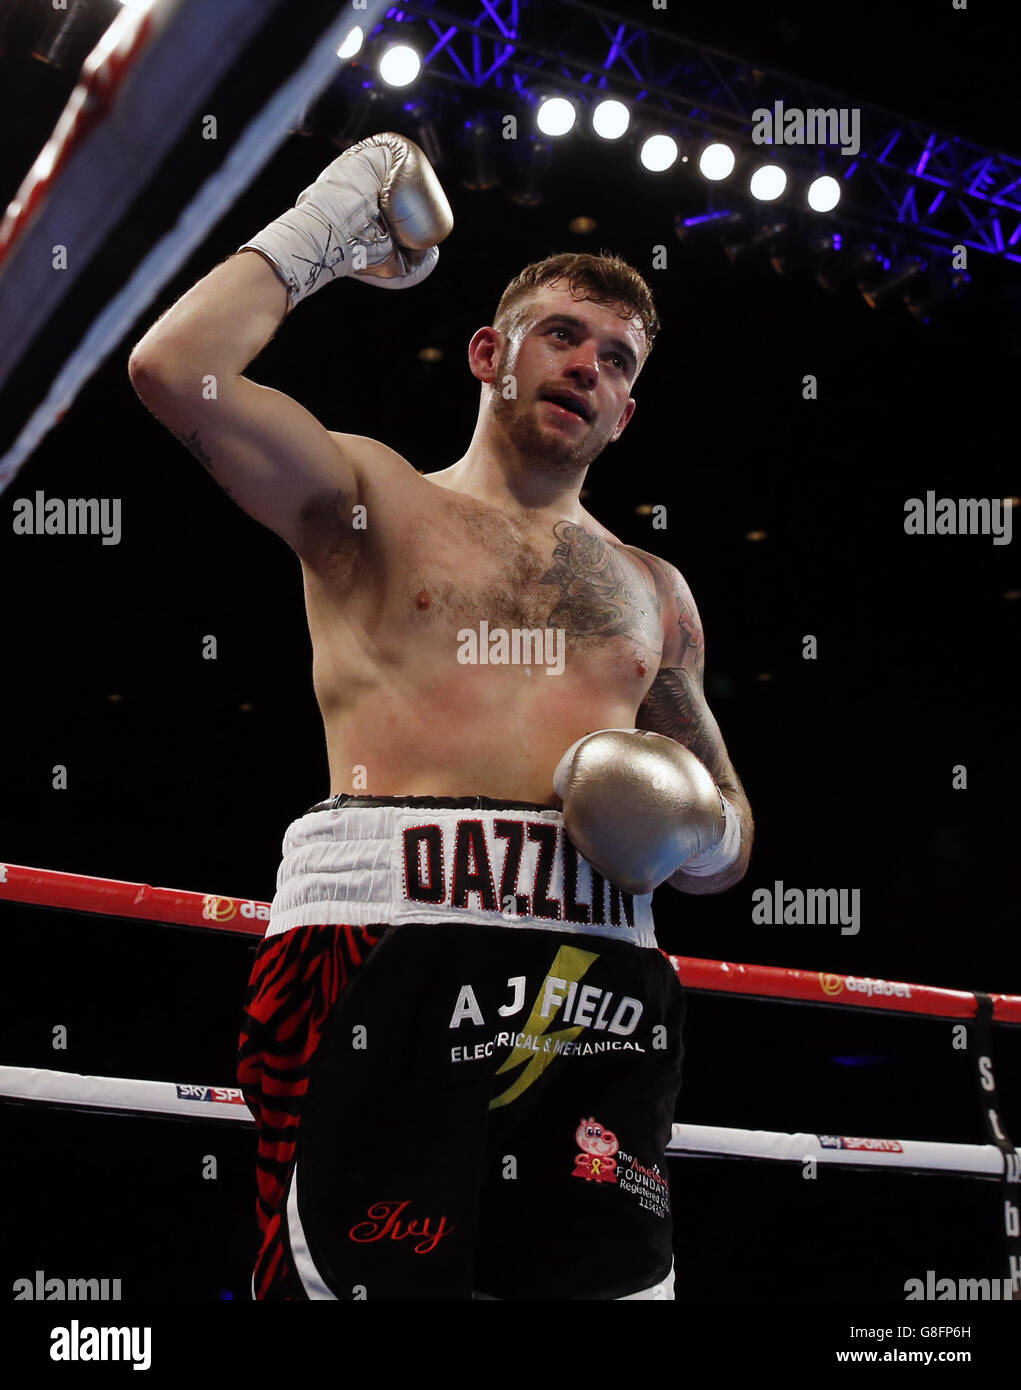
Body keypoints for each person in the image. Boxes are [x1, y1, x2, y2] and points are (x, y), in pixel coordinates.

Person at [128, 132, 753, 1300]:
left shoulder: (658, 595)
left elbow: (732, 841)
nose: (586, 366)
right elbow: (174, 370)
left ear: (626, 411)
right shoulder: (368, 498)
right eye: (560, 335)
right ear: (488, 353)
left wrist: (692, 829)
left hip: (601, 980)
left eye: (615, 359)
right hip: (382, 951)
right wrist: (334, 216)